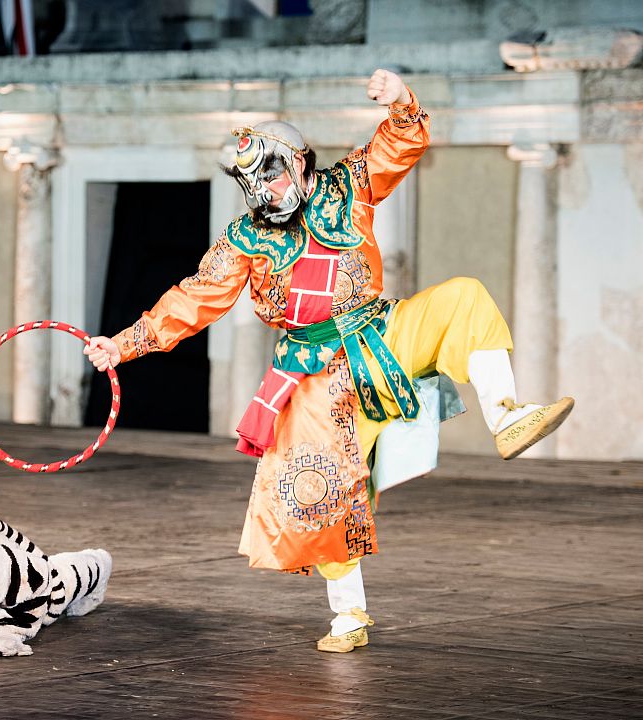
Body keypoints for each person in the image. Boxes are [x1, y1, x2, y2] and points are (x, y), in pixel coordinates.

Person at [83, 68, 574, 653]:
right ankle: (349, 616)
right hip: (315, 371)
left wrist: (400, 101)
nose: (264, 191)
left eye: (270, 175)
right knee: (323, 490)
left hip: (383, 332)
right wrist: (124, 342)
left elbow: (401, 144)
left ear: (299, 163)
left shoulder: (349, 186)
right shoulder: (245, 237)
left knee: (464, 295)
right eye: (252, 182)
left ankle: (506, 415)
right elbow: (196, 296)